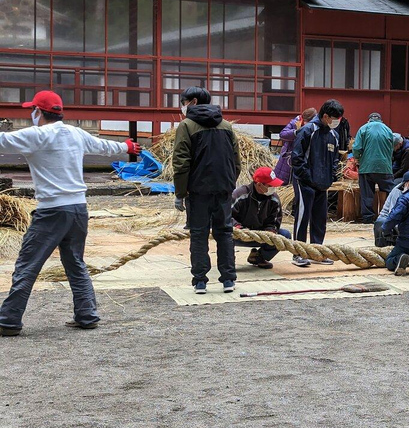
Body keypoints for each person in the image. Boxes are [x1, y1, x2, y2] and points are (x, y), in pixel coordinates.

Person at [0, 91, 142, 336]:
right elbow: (104, 146)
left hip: (52, 211)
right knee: (75, 263)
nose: (31, 114)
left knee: (28, 265)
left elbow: (2, 140)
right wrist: (126, 146)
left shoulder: (37, 135)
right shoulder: (76, 133)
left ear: (38, 112)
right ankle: (87, 314)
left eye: (32, 110)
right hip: (78, 209)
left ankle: (9, 320)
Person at [173, 87, 241, 294]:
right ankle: (228, 279)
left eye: (183, 102)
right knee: (225, 233)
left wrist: (180, 193)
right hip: (224, 189)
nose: (182, 106)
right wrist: (229, 182)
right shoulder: (226, 125)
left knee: (199, 235)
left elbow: (181, 162)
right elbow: (236, 160)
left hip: (198, 190)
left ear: (192, 102)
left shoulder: (186, 126)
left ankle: (200, 281)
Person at [290, 99, 343, 266]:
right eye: (334, 118)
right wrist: (308, 178)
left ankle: (317, 252)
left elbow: (334, 159)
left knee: (320, 219)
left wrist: (331, 177)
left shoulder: (334, 135)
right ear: (325, 116)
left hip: (323, 183)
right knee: (303, 216)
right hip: (305, 182)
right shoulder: (307, 131)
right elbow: (296, 159)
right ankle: (298, 253)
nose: (337, 122)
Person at [231, 167, 292, 269]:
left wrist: (270, 232)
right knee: (225, 232)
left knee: (285, 235)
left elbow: (274, 222)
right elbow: (226, 216)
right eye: (270, 185)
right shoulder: (240, 194)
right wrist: (238, 228)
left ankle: (259, 257)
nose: (273, 188)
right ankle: (228, 261)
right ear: (259, 184)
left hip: (260, 235)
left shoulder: (274, 200)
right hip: (238, 234)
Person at [353, 113, 395, 224]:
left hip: (367, 167)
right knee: (390, 192)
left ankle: (367, 219)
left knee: (367, 194)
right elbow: (392, 149)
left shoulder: (363, 128)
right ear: (381, 120)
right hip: (385, 167)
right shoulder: (388, 130)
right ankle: (392, 215)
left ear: (369, 120)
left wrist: (357, 158)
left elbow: (356, 148)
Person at [274, 108, 316, 185]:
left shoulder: (315, 126)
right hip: (288, 158)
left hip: (304, 159)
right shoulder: (295, 122)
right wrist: (296, 132)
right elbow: (282, 134)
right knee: (283, 181)